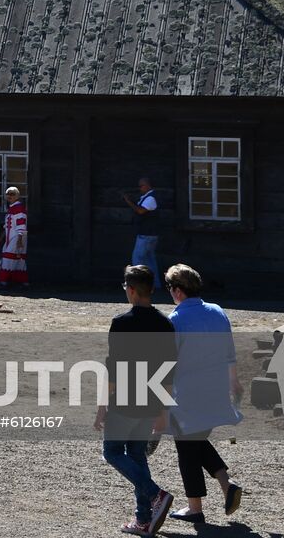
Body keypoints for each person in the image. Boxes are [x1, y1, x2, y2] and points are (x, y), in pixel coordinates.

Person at [95, 264, 176, 536]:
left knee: (112, 452)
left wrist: (102, 405)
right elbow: (168, 371)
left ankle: (156, 495)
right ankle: (143, 520)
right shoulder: (166, 324)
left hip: (126, 399)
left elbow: (114, 367)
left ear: (131, 290)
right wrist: (163, 410)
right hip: (151, 400)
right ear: (151, 290)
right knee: (137, 456)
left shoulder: (122, 323)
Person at [163, 263, 245, 526]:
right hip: (217, 388)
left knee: (187, 447)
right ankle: (225, 482)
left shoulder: (175, 320)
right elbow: (229, 350)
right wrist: (234, 382)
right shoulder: (218, 312)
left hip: (188, 393)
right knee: (194, 441)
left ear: (177, 291)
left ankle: (195, 508)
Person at [122, 177, 161, 289]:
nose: (139, 188)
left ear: (148, 186)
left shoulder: (151, 198)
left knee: (138, 260)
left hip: (146, 235)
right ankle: (154, 285)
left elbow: (140, 211)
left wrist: (129, 201)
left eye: (141, 186)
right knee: (150, 262)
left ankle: (139, 286)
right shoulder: (149, 197)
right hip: (149, 235)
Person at [0, 186, 29, 287]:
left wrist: (20, 239)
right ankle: (20, 281)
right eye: (8, 194)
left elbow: (21, 225)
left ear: (17, 196)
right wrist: (1, 237)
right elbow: (7, 226)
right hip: (10, 237)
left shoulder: (19, 208)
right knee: (15, 258)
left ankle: (4, 281)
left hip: (17, 236)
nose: (10, 196)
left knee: (10, 257)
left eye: (12, 194)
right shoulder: (11, 208)